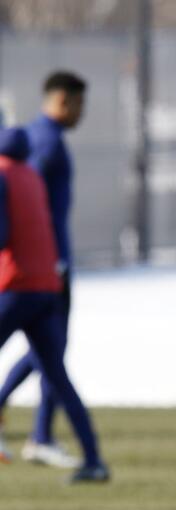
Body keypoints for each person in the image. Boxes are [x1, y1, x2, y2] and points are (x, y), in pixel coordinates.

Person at [0, 126, 107, 482]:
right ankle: (93, 459)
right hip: (47, 287)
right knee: (57, 376)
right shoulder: (29, 174)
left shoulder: (1, 175)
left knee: (52, 372)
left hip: (16, 286)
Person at [0, 71, 87, 468]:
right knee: (51, 352)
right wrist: (47, 258)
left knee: (46, 352)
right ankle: (41, 435)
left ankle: (40, 434)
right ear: (63, 99)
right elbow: (22, 202)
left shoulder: (40, 137)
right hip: (46, 267)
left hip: (41, 266)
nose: (82, 113)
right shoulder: (47, 144)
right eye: (80, 104)